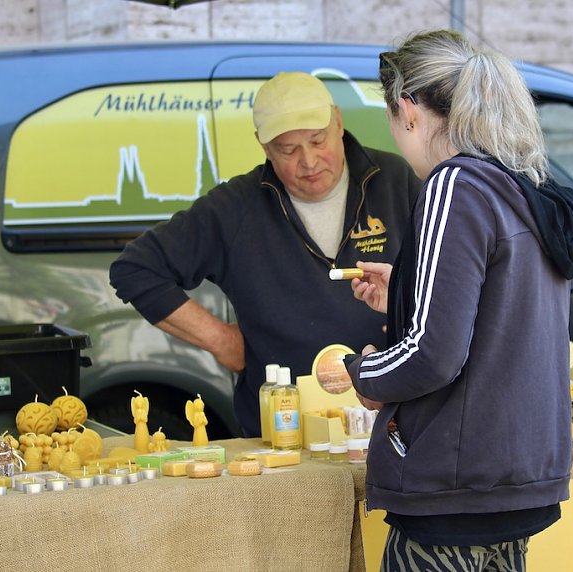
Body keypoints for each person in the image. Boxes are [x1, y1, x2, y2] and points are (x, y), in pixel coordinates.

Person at [345, 30, 573, 571]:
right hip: (517, 480)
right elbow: (501, 320)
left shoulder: (453, 185)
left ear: (407, 110)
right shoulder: (522, 187)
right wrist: (408, 294)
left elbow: (433, 354)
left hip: (454, 490)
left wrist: (362, 372)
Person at [109, 71, 422, 437]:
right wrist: (222, 341)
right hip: (282, 434)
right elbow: (136, 268)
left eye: (317, 140)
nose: (308, 161)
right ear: (263, 146)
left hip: (391, 424)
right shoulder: (235, 207)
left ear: (338, 122)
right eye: (288, 150)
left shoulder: (398, 180)